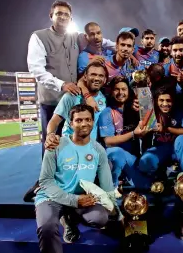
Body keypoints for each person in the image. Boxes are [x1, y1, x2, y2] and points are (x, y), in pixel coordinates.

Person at [24, 0, 113, 202]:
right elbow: (36, 69)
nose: (62, 17)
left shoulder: (76, 38)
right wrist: (61, 84)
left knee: (77, 140)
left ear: (71, 18)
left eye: (66, 14)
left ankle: (78, 180)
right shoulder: (39, 37)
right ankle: (45, 183)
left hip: (74, 99)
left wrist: (127, 50)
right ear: (51, 16)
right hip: (52, 99)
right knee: (51, 141)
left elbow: (100, 40)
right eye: (59, 13)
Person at [35, 104, 121, 253]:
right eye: (79, 120)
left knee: (100, 218)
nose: (84, 124)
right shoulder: (55, 145)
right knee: (47, 228)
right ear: (70, 122)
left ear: (93, 122)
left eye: (88, 119)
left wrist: (116, 211)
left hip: (80, 198)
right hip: (52, 197)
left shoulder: (98, 149)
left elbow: (107, 185)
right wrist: (73, 200)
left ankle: (69, 216)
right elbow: (45, 181)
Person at [98, 76, 151, 194]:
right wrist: (133, 133)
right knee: (117, 152)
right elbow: (108, 141)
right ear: (111, 92)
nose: (120, 92)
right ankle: (111, 187)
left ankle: (129, 177)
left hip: (132, 158)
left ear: (129, 91)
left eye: (124, 89)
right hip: (112, 157)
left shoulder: (135, 109)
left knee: (147, 186)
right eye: (117, 89)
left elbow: (147, 126)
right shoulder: (107, 113)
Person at [45, 63, 107, 146]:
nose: (96, 78)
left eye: (100, 76)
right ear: (85, 77)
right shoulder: (71, 96)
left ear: (105, 79)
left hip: (90, 148)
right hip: (69, 146)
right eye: (93, 74)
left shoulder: (103, 99)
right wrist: (50, 135)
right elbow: (54, 121)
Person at [138, 88, 183, 177]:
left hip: (176, 149)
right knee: (144, 164)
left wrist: (166, 129)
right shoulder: (150, 112)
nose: (165, 104)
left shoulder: (178, 112)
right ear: (156, 101)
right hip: (159, 149)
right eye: (161, 100)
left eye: (168, 100)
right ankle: (159, 175)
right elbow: (140, 133)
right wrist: (145, 129)